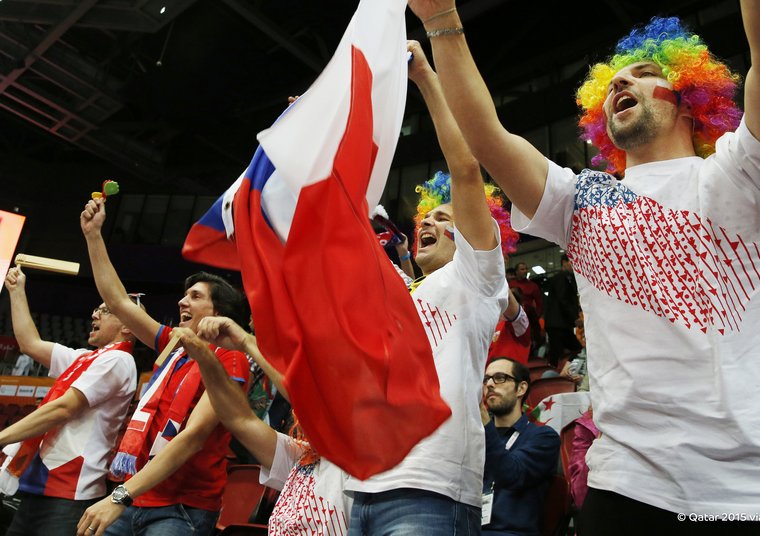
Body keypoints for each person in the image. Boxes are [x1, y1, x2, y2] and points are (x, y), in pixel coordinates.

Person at [408, 1, 760, 534]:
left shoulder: (752, 169)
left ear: (691, 98)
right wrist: (440, 21)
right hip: (628, 487)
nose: (622, 82)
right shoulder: (582, 199)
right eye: (612, 80)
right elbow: (486, 139)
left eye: (644, 74)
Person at [343, 41, 511, 535]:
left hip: (432, 488)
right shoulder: (402, 291)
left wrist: (425, 80)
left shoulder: (477, 276)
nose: (428, 223)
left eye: (444, 216)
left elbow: (465, 169)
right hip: (365, 486)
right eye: (425, 217)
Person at [77, 198, 251, 536]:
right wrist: (94, 235)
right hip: (135, 496)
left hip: (180, 508)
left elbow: (192, 438)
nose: (182, 301)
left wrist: (119, 497)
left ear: (219, 312)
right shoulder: (174, 343)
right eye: (185, 295)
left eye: (196, 296)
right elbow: (116, 301)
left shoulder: (230, 357)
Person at [1, 267, 137, 536]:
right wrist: (17, 292)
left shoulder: (119, 360)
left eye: (105, 310)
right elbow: (29, 343)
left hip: (70, 492)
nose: (94, 314)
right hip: (39, 484)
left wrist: (3, 436)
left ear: (127, 325)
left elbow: (65, 408)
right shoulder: (84, 359)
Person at [190, 315, 351, 535]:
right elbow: (238, 418)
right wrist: (205, 356)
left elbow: (313, 403)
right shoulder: (299, 457)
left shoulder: (353, 462)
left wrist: (246, 342)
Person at [480, 357, 559, 536]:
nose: (490, 384)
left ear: (521, 388)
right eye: (486, 379)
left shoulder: (543, 437)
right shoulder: (474, 435)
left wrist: (484, 424)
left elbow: (511, 474)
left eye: (500, 377)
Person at [544, 255, 581, 367]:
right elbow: (563, 299)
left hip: (561, 323)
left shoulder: (568, 277)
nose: (574, 264)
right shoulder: (561, 277)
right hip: (557, 323)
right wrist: (575, 317)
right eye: (571, 261)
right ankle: (554, 378)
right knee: (558, 353)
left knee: (574, 350)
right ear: (564, 262)